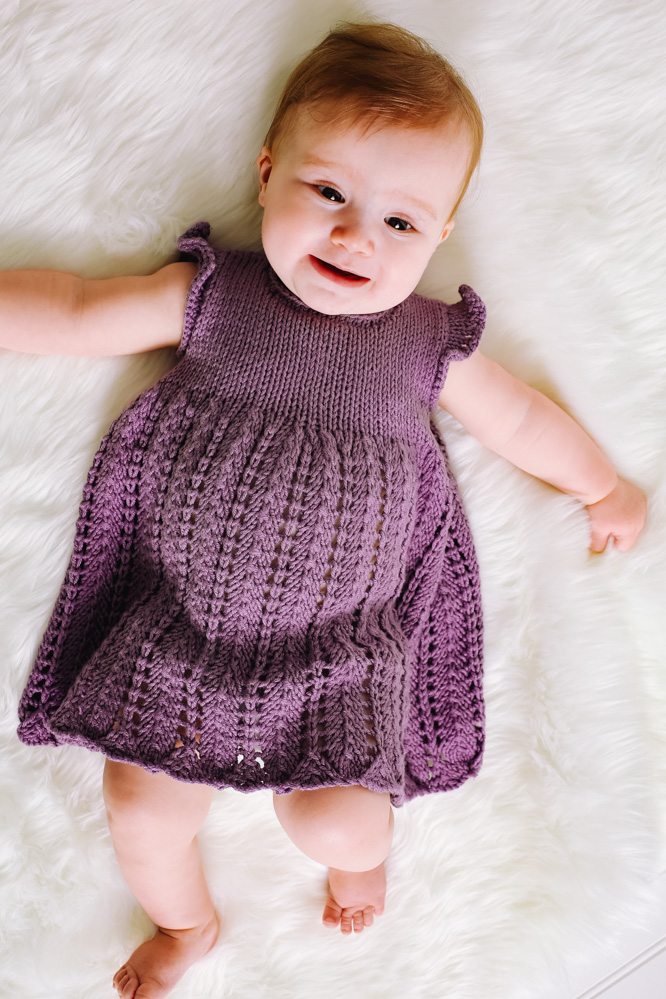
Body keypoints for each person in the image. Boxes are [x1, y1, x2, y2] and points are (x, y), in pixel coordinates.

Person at [1, 20, 647, 999]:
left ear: (437, 235)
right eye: (329, 192)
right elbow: (85, 310)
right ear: (267, 175)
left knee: (338, 820)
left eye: (400, 222)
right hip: (182, 632)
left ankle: (360, 868)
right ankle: (189, 924)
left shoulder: (430, 343)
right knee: (139, 803)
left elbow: (520, 419)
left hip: (340, 654)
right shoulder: (215, 297)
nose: (355, 233)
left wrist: (600, 483)